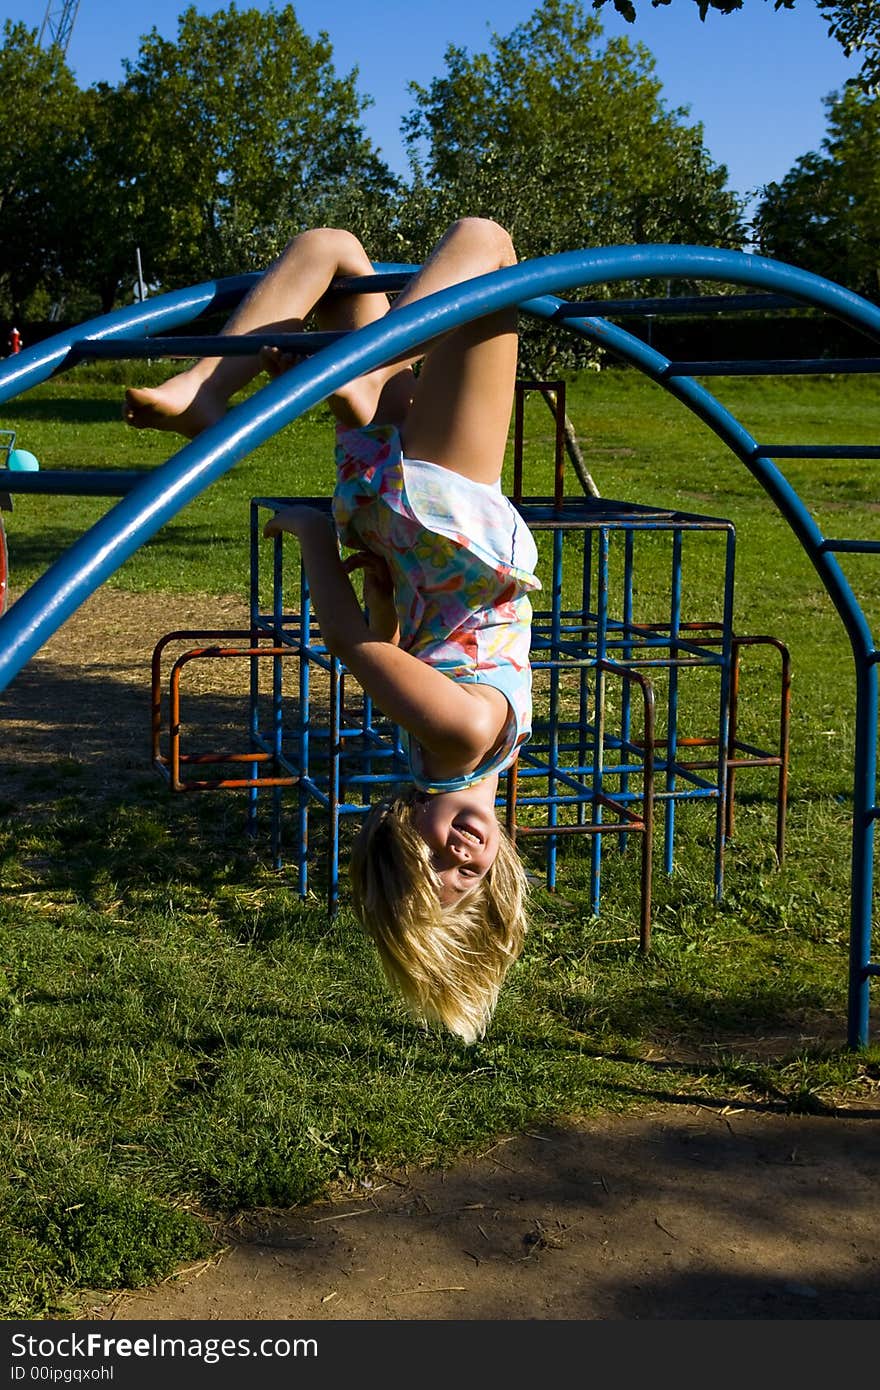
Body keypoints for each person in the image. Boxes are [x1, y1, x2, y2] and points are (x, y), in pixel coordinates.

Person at [124, 218, 538, 1044]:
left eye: (434, 868)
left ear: (399, 835)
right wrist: (381, 585)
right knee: (332, 249)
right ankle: (205, 387)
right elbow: (395, 632)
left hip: (448, 510)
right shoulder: (437, 750)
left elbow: (360, 646)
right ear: (502, 878)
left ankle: (370, 366)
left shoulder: (463, 737)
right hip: (402, 529)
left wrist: (315, 536)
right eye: (471, 878)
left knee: (487, 241)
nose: (460, 856)